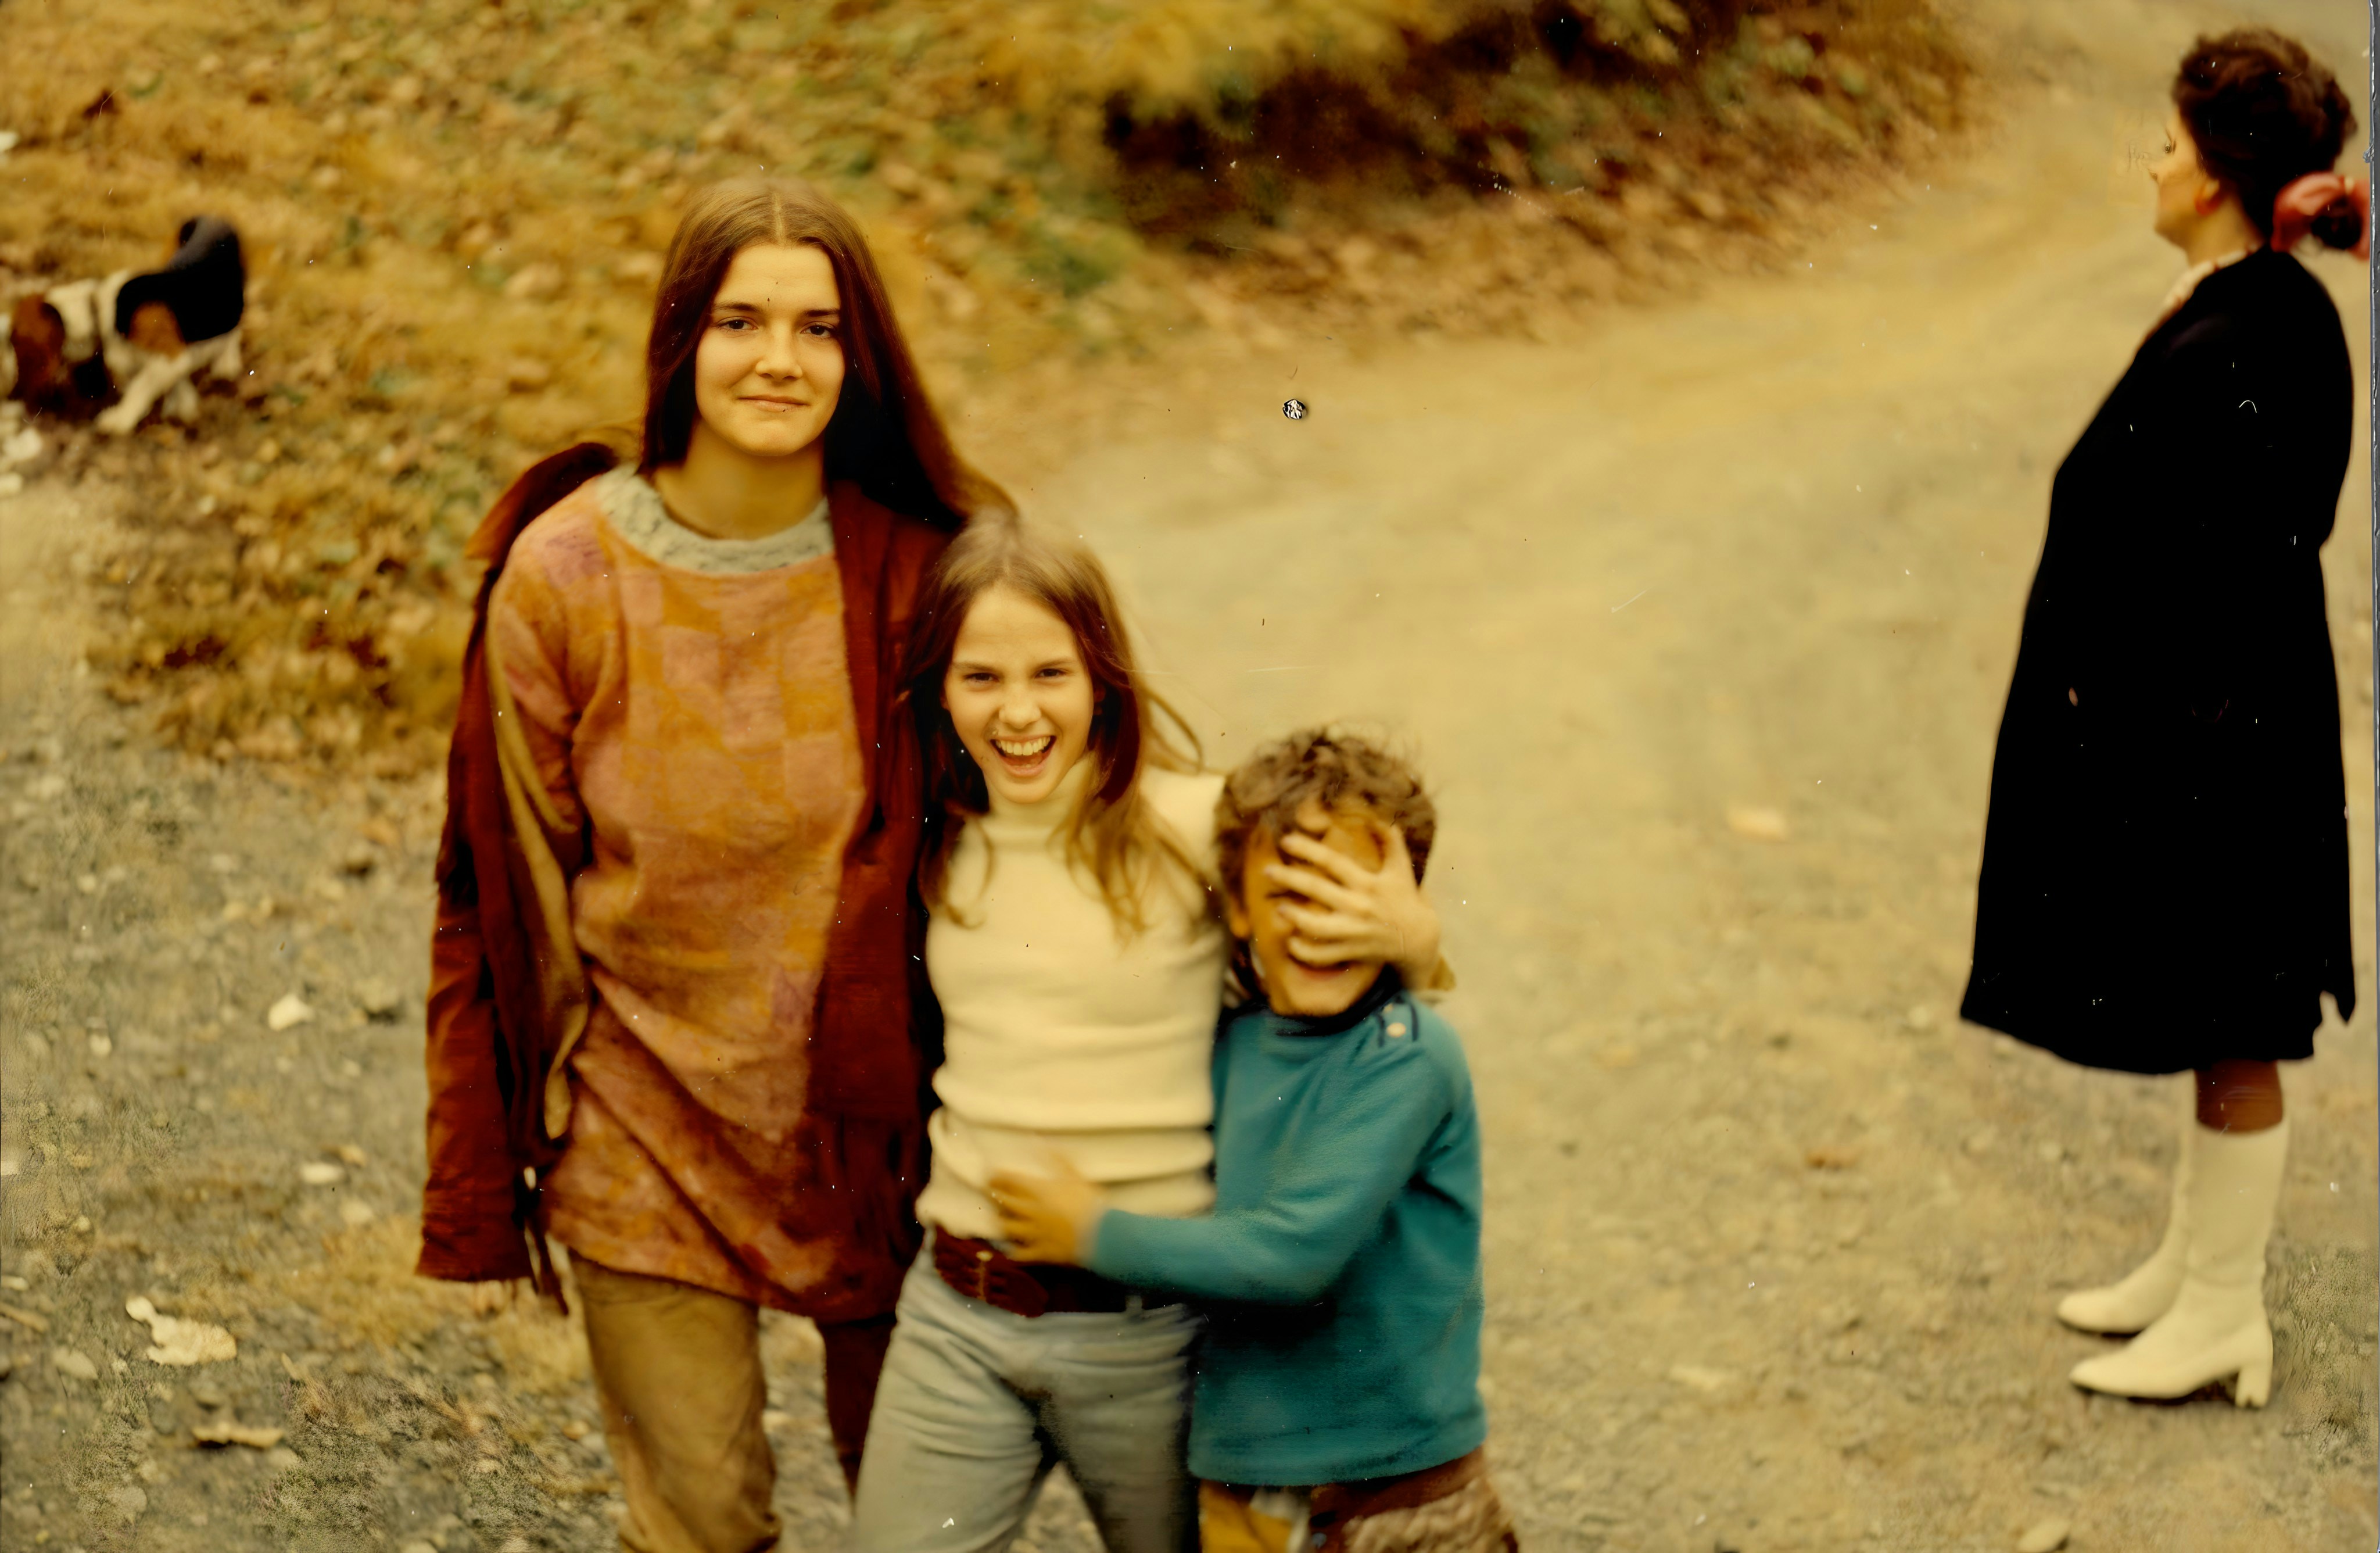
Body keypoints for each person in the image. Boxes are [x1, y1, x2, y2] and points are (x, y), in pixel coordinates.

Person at [418, 176, 1009, 1550]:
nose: (778, 360)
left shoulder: (929, 575)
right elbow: (490, 888)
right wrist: (479, 1167)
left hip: (882, 1130)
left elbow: (1072, 816)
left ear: (859, 358)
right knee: (699, 1524)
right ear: (680, 338)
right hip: (642, 1127)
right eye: (740, 320)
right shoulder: (562, 576)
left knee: (921, 1525)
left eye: (817, 327)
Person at [851, 525, 1449, 1552]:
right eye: (981, 676)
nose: (1020, 710)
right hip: (959, 1314)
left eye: (1052, 672)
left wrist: (1422, 945)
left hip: (1160, 1335)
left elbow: (1352, 953)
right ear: (937, 691)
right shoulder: (931, 840)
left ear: (1104, 680)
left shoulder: (1194, 824)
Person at [1960, 27, 2365, 1407]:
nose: (2148, 159)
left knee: (2234, 1018)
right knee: (2216, 1017)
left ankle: (2221, 1309)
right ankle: (2190, 1268)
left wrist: (2154, 731)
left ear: (2211, 179)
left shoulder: (2255, 332)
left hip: (2219, 743)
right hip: (2222, 728)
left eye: (2167, 143)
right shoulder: (2251, 304)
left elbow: (2225, 565)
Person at [991, 729, 1516, 1553]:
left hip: (1391, 1486)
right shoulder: (1232, 1038)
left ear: (1404, 907)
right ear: (1238, 907)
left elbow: (1291, 1255)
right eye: (1290, 896)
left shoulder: (1407, 1053)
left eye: (1349, 897)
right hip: (1244, 1475)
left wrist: (1092, 1232)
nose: (1321, 927)